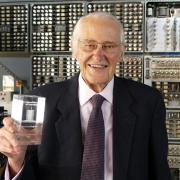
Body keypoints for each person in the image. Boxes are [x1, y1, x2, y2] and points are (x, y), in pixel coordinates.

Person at [0, 12, 172, 180]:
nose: (98, 55)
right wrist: (16, 161)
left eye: (109, 46)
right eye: (89, 45)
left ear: (122, 52)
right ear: (74, 49)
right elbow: (26, 171)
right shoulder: (36, 100)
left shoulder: (149, 101)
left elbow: (160, 171)